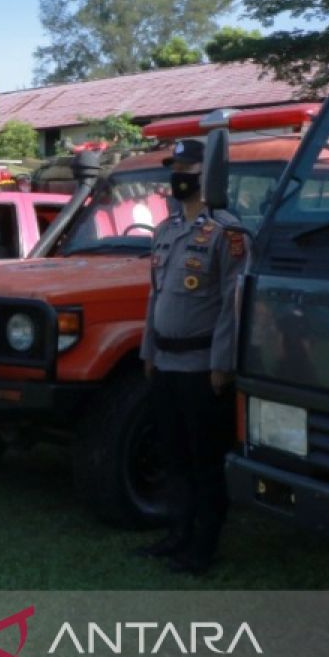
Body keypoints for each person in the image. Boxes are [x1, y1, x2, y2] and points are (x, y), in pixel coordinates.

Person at [139, 139, 249, 576]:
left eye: (186, 167)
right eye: (174, 167)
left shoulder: (228, 232)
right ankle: (176, 535)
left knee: (204, 462)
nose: (176, 175)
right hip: (165, 364)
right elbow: (155, 296)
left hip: (202, 368)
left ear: (208, 177)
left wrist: (223, 363)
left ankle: (203, 547)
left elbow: (232, 303)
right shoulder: (165, 232)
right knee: (173, 456)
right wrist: (148, 350)